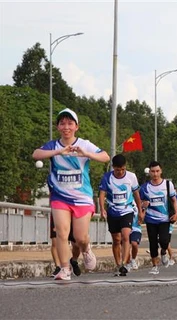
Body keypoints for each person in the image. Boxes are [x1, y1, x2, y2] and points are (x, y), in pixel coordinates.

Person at [32, 108, 110, 280]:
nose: (66, 126)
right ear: (58, 127)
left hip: (82, 198)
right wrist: (58, 152)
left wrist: (86, 154)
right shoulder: (53, 145)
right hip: (60, 197)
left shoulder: (84, 144)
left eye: (69, 123)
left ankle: (86, 249)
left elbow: (105, 157)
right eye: (62, 123)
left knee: (80, 238)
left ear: (76, 127)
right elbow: (36, 154)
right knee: (61, 232)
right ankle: (65, 268)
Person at [99, 154, 142, 276]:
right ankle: (118, 264)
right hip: (113, 211)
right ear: (113, 167)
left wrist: (140, 211)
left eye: (123, 169)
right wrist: (102, 209)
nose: (120, 172)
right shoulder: (107, 177)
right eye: (118, 170)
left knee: (125, 236)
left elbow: (137, 195)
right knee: (116, 240)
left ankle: (124, 263)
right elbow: (102, 194)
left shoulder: (131, 177)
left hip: (127, 211)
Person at [140, 161, 177, 275]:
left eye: (157, 171)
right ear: (150, 172)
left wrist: (176, 212)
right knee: (152, 243)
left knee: (164, 240)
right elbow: (140, 203)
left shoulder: (167, 185)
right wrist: (143, 205)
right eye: (153, 171)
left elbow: (173, 200)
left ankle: (163, 252)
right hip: (151, 219)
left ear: (161, 171)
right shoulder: (145, 187)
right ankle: (155, 265)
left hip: (164, 219)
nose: (155, 174)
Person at [125, 205, 141, 271]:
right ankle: (127, 263)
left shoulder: (138, 201)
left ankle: (133, 259)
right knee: (126, 246)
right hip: (125, 227)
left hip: (136, 228)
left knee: (134, 244)